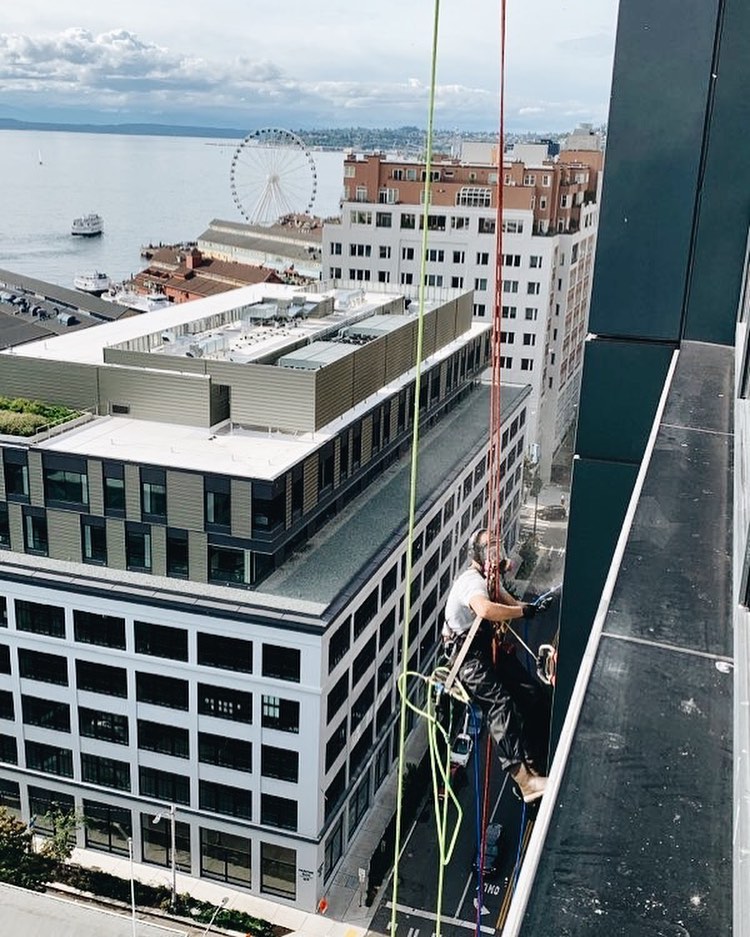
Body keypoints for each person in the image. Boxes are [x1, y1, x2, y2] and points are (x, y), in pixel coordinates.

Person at [442, 527, 552, 803]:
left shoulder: (489, 581)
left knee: (532, 695)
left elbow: (508, 602)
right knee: (500, 704)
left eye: (497, 547)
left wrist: (530, 609)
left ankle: (534, 765)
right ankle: (524, 781)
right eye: (490, 549)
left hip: (484, 649)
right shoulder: (472, 582)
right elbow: (485, 609)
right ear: (477, 555)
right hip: (467, 658)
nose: (497, 553)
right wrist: (522, 610)